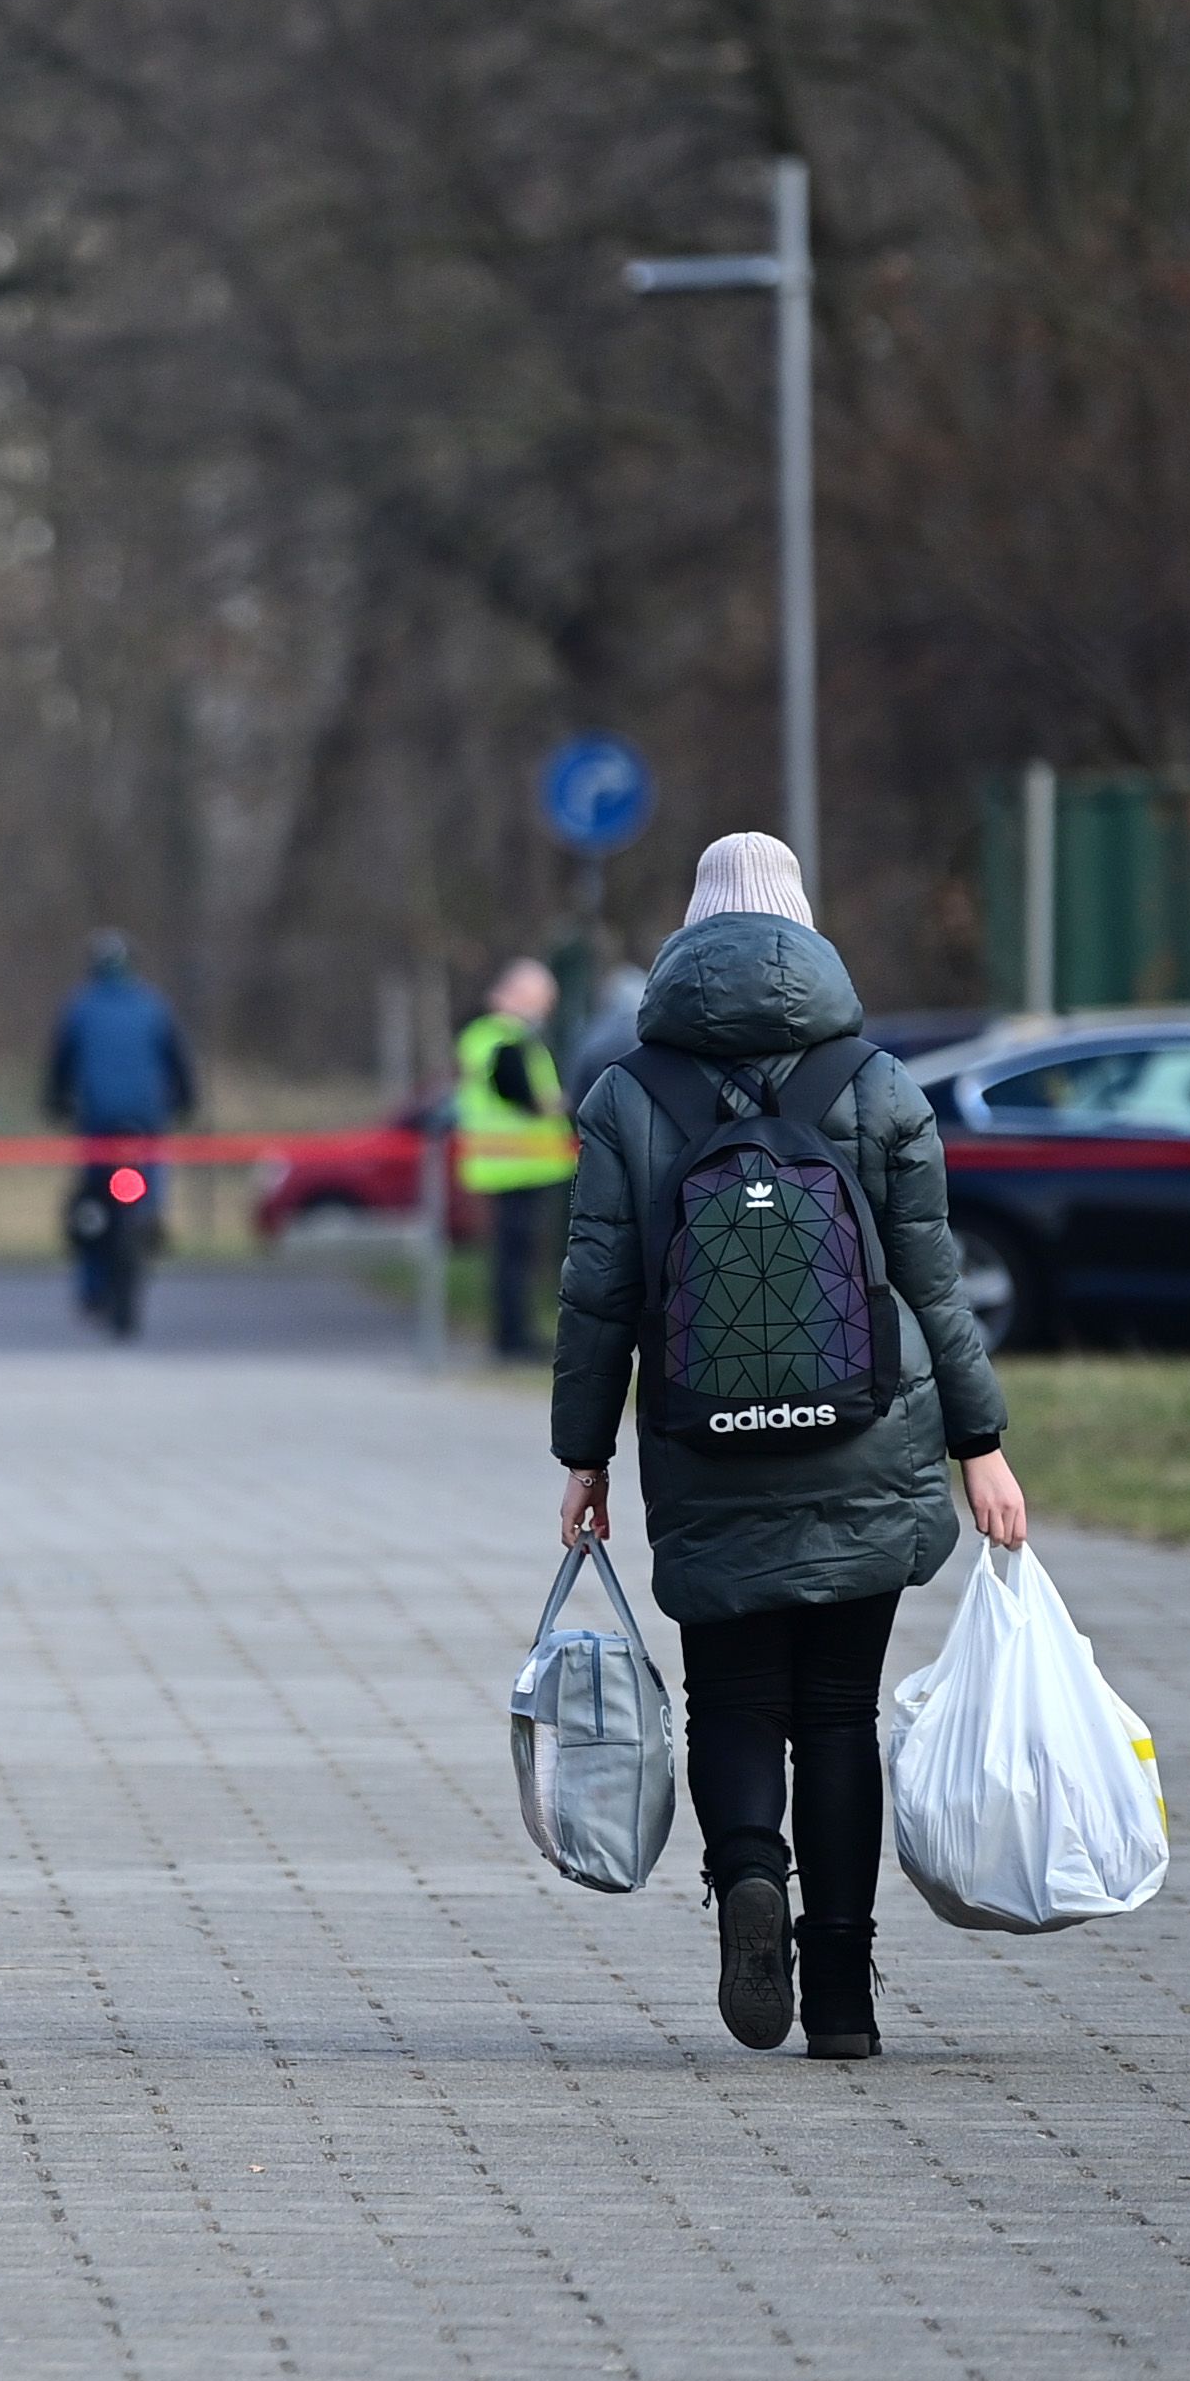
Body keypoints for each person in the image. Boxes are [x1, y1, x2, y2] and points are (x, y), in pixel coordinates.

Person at [547, 831, 1026, 2061]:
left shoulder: (625, 1096)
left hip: (707, 1445)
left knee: (735, 1701)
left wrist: (584, 1454)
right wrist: (981, 1441)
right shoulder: (876, 1085)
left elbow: (597, 1297)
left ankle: (748, 1877)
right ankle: (847, 1996)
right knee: (838, 1711)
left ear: (689, 936)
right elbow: (932, 1279)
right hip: (870, 1433)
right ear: (804, 930)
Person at [42, 931, 198, 1321]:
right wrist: (184, 1102)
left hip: (98, 1121)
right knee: (148, 1188)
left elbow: (59, 1066)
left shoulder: (80, 1006)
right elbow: (179, 1062)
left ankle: (92, 1287)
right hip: (146, 1120)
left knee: (91, 1204)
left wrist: (55, 1103)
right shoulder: (152, 1004)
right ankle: (150, 1219)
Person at [456, 957, 579, 1361]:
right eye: (543, 998)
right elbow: (520, 1094)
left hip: (513, 1164)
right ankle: (513, 1338)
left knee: (515, 1258)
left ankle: (515, 1333)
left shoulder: (491, 1036)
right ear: (518, 995)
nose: (546, 1007)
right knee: (515, 1259)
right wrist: (551, 1105)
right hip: (515, 1164)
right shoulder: (505, 1038)